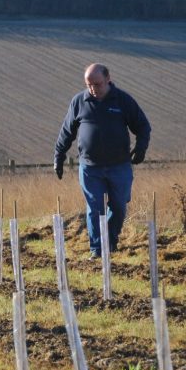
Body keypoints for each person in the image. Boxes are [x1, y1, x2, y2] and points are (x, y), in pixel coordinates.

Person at [54, 63, 151, 258]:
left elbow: (143, 126)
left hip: (119, 165)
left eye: (97, 84)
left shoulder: (122, 100)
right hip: (90, 167)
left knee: (119, 206)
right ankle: (97, 251)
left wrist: (140, 148)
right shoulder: (79, 101)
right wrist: (59, 155)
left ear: (108, 79)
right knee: (95, 209)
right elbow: (67, 131)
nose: (93, 89)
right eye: (89, 85)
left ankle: (110, 241)